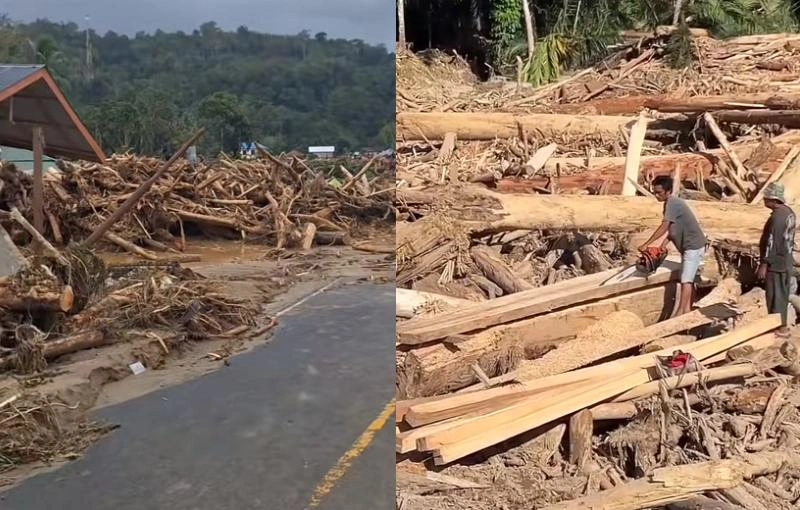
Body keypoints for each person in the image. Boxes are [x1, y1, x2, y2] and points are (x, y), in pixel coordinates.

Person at [637, 175, 706, 316]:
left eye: (659, 193)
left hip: (692, 246)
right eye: (654, 192)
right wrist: (662, 244)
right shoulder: (669, 204)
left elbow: (665, 226)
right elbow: (673, 228)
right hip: (689, 245)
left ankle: (682, 311)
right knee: (688, 277)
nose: (656, 195)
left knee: (686, 280)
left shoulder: (673, 203)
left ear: (668, 191)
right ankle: (688, 308)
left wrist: (647, 244)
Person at [757, 182, 796, 337]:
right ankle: (780, 325)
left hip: (777, 263)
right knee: (782, 294)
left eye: (766, 199)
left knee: (775, 295)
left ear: (773, 200)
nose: (764, 201)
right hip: (785, 260)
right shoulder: (788, 213)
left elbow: (771, 243)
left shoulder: (778, 219)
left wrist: (764, 264)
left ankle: (780, 327)